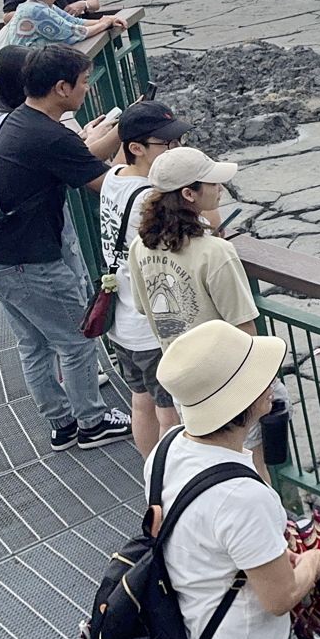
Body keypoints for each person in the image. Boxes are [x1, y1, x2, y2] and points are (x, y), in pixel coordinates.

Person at [152, 320, 320, 639]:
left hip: (192, 619)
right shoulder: (242, 496)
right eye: (260, 376)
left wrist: (267, 556)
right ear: (241, 399)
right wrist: (312, 564)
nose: (272, 382)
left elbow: (206, 540)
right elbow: (280, 598)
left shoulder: (167, 448)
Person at [0, 45, 130, 450]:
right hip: (30, 260)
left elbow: (75, 160)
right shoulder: (49, 136)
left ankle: (62, 423)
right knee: (76, 338)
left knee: (33, 343)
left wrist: (112, 133)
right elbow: (106, 184)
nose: (87, 90)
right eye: (84, 83)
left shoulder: (19, 121)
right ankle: (93, 421)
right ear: (62, 88)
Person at [128, 145, 284, 482]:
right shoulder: (216, 253)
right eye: (212, 183)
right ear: (189, 194)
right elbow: (245, 330)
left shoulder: (141, 246)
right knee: (253, 466)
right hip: (230, 384)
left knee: (208, 465)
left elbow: (144, 307)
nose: (220, 189)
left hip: (186, 383)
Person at [100, 101, 193, 455]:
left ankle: (152, 477)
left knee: (141, 402)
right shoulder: (149, 199)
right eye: (167, 145)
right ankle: (171, 485)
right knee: (170, 413)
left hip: (122, 321)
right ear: (136, 148)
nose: (176, 149)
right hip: (151, 325)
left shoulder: (113, 177)